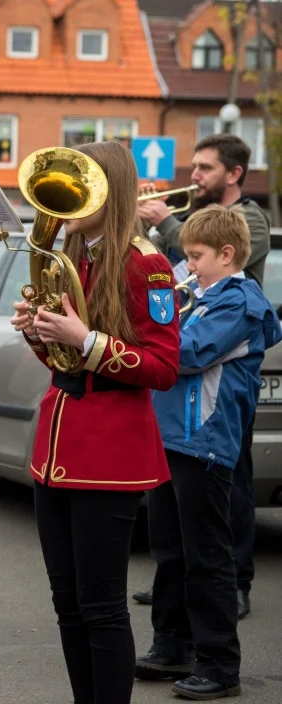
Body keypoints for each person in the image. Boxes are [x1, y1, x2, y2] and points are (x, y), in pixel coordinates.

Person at [9, 141, 180, 704]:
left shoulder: (146, 264)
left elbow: (162, 366)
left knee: (103, 608)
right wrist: (41, 333)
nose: (72, 202)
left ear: (114, 191)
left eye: (87, 187)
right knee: (67, 605)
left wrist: (83, 340)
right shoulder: (75, 255)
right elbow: (64, 365)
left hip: (110, 455)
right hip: (56, 448)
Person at [134, 206, 280, 700]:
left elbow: (183, 354)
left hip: (205, 441)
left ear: (227, 254)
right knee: (170, 551)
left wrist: (149, 326)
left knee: (207, 556)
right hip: (169, 436)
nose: (188, 265)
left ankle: (220, 665)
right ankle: (172, 644)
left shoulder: (240, 301)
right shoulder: (196, 293)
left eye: (195, 257)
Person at [137, 133, 271, 618]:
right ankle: (174, 627)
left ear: (233, 173)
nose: (193, 177)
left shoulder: (249, 219)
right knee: (174, 539)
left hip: (209, 423)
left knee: (218, 516)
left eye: (205, 169)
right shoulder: (198, 248)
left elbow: (184, 350)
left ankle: (233, 585)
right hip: (177, 427)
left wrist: (170, 224)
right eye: (193, 168)